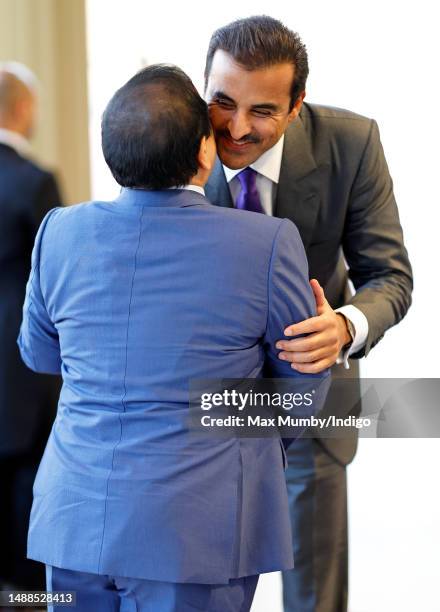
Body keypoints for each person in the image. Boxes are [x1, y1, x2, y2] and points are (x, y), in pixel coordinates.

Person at [18, 64, 329, 612]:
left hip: (73, 521)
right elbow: (298, 396)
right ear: (204, 152)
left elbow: (41, 354)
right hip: (196, 531)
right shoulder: (267, 243)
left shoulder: (59, 232)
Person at [204, 16, 413, 612]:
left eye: (263, 111)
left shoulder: (351, 142)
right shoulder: (176, 137)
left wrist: (346, 325)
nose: (236, 128)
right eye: (222, 101)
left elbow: (391, 276)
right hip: (206, 398)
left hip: (317, 398)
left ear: (297, 106)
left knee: (312, 591)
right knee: (202, 583)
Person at [0, 62, 62, 592]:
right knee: (27, 492)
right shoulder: (34, 183)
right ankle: (28, 599)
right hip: (21, 367)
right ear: (23, 109)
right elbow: (58, 282)